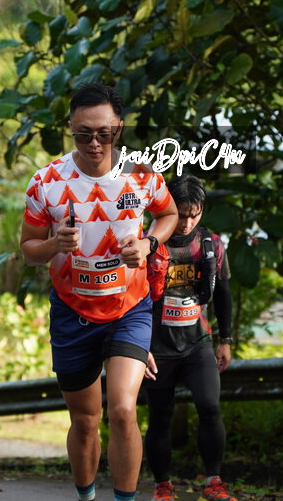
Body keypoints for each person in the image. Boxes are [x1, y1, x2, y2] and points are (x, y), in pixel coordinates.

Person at [20, 82, 178, 501]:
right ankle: (86, 496)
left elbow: (169, 214)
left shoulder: (141, 174)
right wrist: (54, 245)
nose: (94, 143)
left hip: (129, 308)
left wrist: (148, 244)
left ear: (119, 129)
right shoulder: (46, 182)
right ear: (71, 129)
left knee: (123, 410)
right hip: (72, 311)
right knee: (86, 420)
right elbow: (28, 250)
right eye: (83, 133)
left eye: (104, 133)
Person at [143, 175, 236, 501]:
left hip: (198, 342)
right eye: (180, 214)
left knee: (210, 406)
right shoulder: (147, 243)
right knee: (160, 417)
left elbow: (223, 292)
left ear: (202, 212)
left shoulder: (211, 245)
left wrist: (226, 340)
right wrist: (139, 347)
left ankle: (213, 481)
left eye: (193, 215)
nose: (186, 223)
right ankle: (162, 486)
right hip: (157, 347)